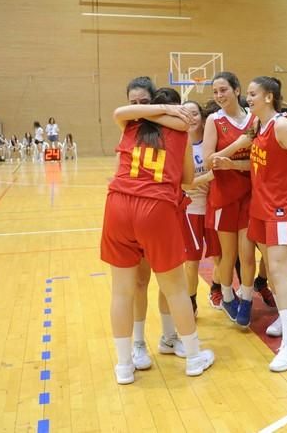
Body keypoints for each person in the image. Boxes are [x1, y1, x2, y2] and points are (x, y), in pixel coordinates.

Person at [101, 77, 213, 384]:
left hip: (118, 203)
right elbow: (189, 180)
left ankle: (124, 366)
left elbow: (120, 111)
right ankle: (193, 357)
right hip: (155, 206)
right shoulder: (182, 134)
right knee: (175, 289)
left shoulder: (131, 125)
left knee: (121, 291)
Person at [244, 77, 287, 370]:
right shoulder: (258, 126)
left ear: (269, 97)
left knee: (279, 270)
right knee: (272, 271)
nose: (248, 98)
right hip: (260, 207)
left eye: (252, 94)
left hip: (281, 209)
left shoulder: (281, 126)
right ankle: (284, 320)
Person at [202, 72, 258, 327]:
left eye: (223, 90)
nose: (219, 96)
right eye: (215, 92)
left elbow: (257, 163)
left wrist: (233, 164)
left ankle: (246, 298)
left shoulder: (254, 119)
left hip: (249, 195)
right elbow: (208, 161)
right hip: (224, 197)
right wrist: (234, 149)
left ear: (237, 90)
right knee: (228, 254)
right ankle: (226, 295)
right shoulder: (214, 120)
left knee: (247, 255)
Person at [180, 101, 221, 317]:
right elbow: (184, 184)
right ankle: (191, 302)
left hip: (214, 206)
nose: (192, 118)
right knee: (191, 262)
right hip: (191, 209)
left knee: (220, 258)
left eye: (195, 113)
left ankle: (216, 288)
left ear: (201, 116)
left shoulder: (211, 141)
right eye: (187, 114)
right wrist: (209, 176)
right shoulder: (179, 145)